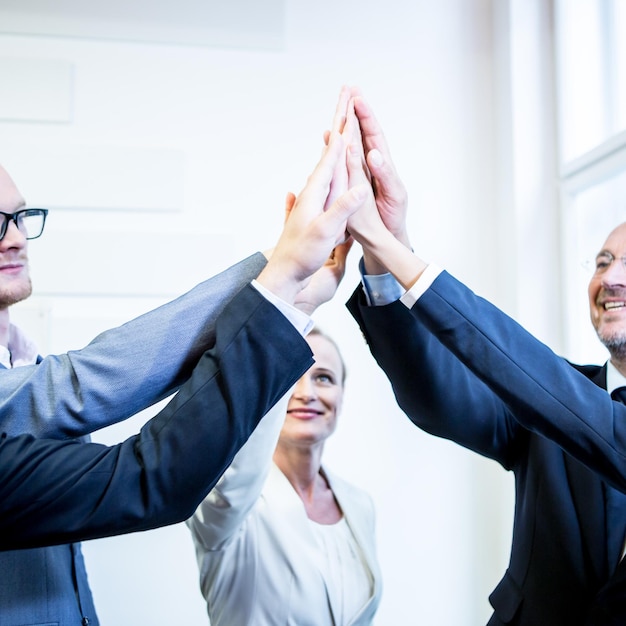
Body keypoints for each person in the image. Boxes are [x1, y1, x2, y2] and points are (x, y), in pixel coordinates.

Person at [0, 104, 367, 626]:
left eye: (18, 218)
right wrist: (280, 273)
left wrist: (292, 292)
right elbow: (105, 408)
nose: (15, 238)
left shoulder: (27, 361)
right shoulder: (32, 389)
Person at [338, 87, 626, 625]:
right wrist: (383, 250)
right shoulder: (545, 400)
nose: (610, 278)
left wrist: (402, 253)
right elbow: (435, 397)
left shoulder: (548, 389)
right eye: (603, 260)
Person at [187, 327, 382, 626]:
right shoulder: (229, 501)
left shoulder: (360, 505)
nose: (307, 393)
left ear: (342, 394)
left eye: (324, 378)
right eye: (291, 376)